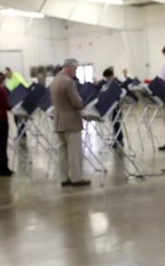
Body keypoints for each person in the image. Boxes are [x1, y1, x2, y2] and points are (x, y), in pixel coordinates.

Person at [50, 58, 91, 187]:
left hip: (59, 121)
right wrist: (82, 101)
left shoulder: (55, 80)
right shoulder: (68, 82)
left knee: (62, 151)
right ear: (69, 68)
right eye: (75, 69)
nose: (75, 72)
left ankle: (64, 178)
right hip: (71, 121)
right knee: (74, 151)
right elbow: (76, 102)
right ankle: (76, 178)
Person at [96, 67, 124, 148]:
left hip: (117, 106)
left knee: (117, 123)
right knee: (114, 123)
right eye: (106, 78)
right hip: (112, 106)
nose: (107, 79)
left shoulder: (116, 83)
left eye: (108, 77)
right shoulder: (109, 83)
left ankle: (119, 141)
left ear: (111, 76)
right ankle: (116, 140)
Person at [5, 67, 30, 145]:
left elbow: (24, 86)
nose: (6, 76)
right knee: (16, 120)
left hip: (22, 100)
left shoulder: (17, 76)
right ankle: (20, 134)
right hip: (15, 102)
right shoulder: (8, 80)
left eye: (7, 74)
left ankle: (23, 136)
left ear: (10, 71)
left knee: (22, 119)